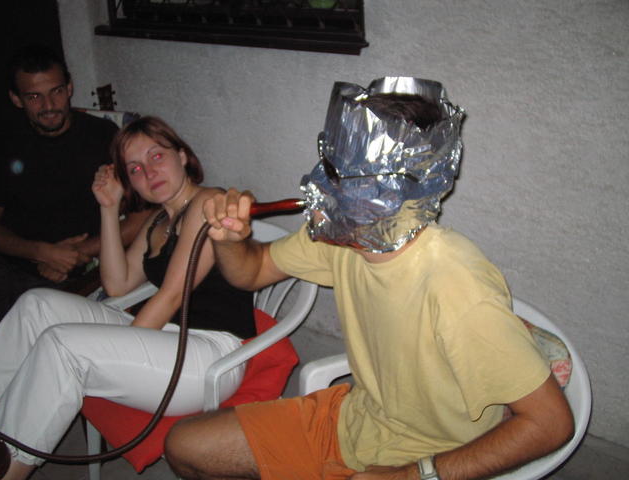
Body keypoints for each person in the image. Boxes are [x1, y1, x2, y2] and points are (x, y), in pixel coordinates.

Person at [164, 77, 575, 480]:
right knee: (185, 445)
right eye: (327, 162)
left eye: (341, 173)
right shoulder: (343, 236)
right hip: (357, 419)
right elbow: (251, 272)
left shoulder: (455, 285)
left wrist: (412, 475)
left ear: (392, 191)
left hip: (434, 454)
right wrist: (229, 241)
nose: (315, 182)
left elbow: (551, 424)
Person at [0, 116, 255, 480]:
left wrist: (111, 347)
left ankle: (6, 471)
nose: (149, 172)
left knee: (63, 346)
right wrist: (108, 208)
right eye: (135, 168)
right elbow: (118, 284)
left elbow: (171, 296)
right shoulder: (157, 221)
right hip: (166, 340)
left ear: (182, 156)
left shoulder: (209, 203)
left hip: (208, 357)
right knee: (37, 305)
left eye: (157, 156)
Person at [0, 44, 150, 331]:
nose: (49, 105)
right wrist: (40, 251)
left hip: (74, 271)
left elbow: (142, 217)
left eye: (57, 91)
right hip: (8, 264)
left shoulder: (104, 136)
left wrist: (77, 253)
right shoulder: (4, 145)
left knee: (27, 327)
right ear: (16, 99)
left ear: (70, 87)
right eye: (34, 96)